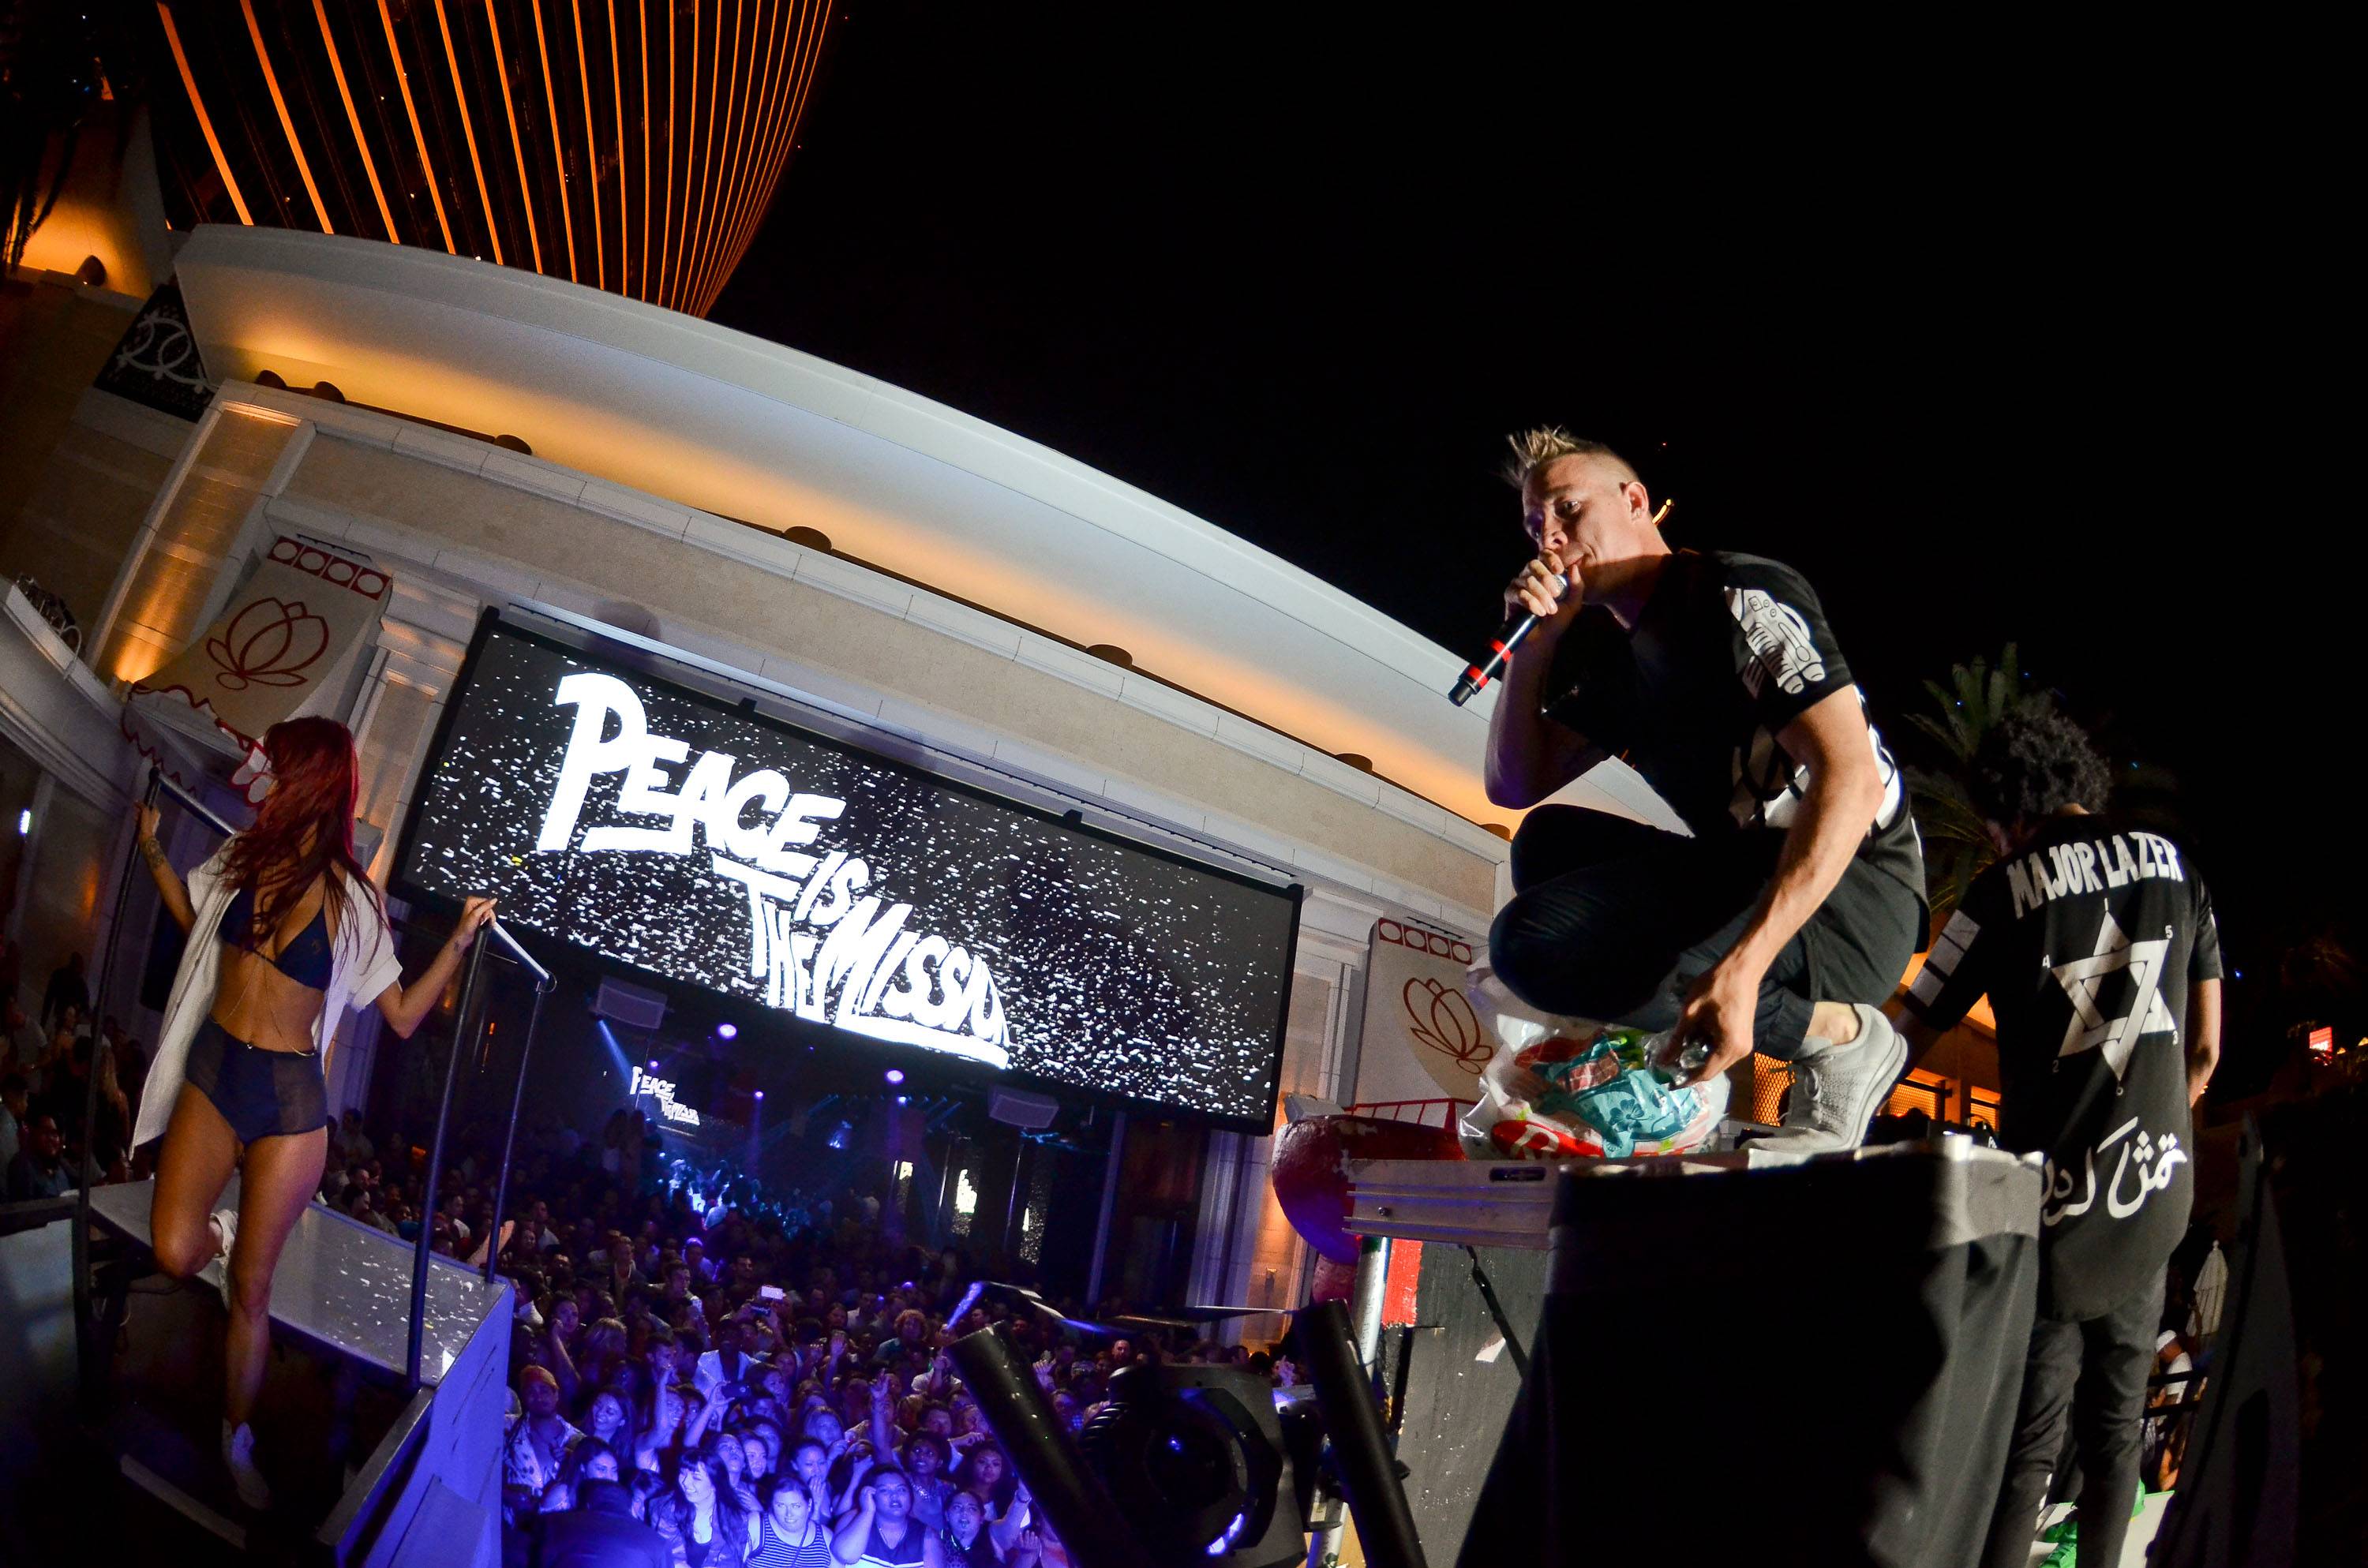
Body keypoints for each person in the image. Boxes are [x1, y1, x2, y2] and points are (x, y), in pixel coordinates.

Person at [1481, 428, 1924, 1150]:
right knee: (1546, 844)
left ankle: (1836, 1036)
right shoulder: (1625, 665)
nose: (1550, 539)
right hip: (1745, 870)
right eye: (1535, 527)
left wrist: (1743, 971)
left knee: (1529, 945)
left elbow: (1852, 779)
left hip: (1856, 896)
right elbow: (1512, 784)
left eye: (1567, 509)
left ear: (1634, 501)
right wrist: (1533, 651)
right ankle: (1634, 1062)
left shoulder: (1735, 593)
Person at [131, 715, 499, 1510]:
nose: (264, 773)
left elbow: (402, 1015)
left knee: (252, 1290)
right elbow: (198, 931)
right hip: (216, 1070)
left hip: (289, 1102)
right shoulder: (243, 855)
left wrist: (458, 943)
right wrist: (154, 850)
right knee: (174, 1250)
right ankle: (223, 1233)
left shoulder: (354, 898)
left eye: (279, 763)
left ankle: (236, 1437)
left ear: (312, 779)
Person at [1896, 702, 2221, 1568]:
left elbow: (1908, 1032)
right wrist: (2151, 1125)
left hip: (2052, 1208)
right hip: (2151, 1191)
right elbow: (2205, 1052)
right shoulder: (2177, 869)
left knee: (2028, 1450)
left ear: (2003, 811)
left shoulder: (1999, 890)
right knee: (2116, 1436)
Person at [530, 1477, 673, 1568]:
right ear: (628, 1503)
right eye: (638, 1501)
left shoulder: (555, 1523)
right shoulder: (659, 1543)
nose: (643, 1509)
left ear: (587, 1504)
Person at [652, 1449, 758, 1566]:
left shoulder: (735, 1519)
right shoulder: (668, 1509)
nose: (686, 1482)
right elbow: (671, 1557)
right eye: (683, 1473)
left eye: (696, 1478)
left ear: (715, 1484)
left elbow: (729, 1563)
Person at [831, 1469, 939, 1566]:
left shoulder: (927, 1535)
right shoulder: (852, 1518)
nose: (894, 1495)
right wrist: (868, 1511)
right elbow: (845, 1556)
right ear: (872, 1495)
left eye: (901, 1490)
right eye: (884, 1490)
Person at [751, 1473, 834, 1566]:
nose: (789, 1514)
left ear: (809, 1504)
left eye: (796, 1506)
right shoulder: (757, 1526)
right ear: (772, 1505)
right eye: (781, 1506)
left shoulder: (826, 1539)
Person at [4, 1111, 73, 1199]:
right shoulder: (22, 1165)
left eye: (54, 1134)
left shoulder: (59, 1167)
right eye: (45, 1133)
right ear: (34, 1134)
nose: (51, 1139)